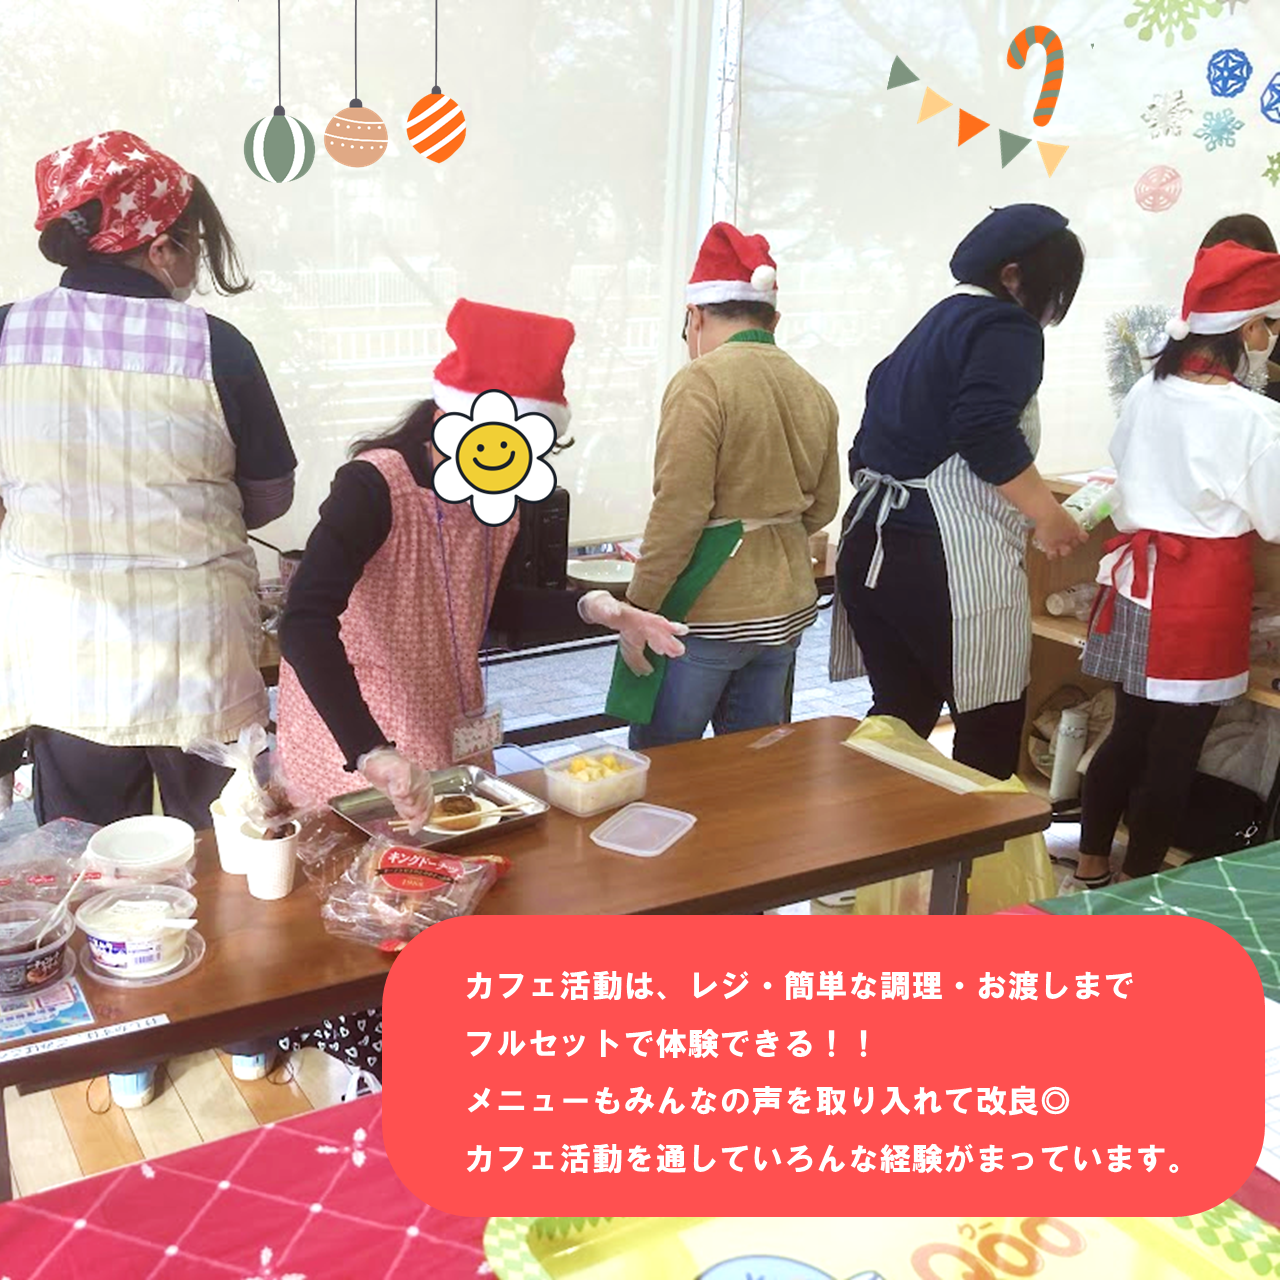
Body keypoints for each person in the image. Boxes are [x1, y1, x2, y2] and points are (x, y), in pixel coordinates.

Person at [273, 298, 686, 1082]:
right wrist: (370, 751)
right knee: (362, 918)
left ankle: (441, 1056)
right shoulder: (373, 486)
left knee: (442, 906)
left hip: (441, 728)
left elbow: (495, 609)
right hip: (352, 733)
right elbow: (303, 624)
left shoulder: (497, 500)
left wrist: (597, 609)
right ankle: (355, 1070)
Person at [0, 132, 297, 1106]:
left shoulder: (6, 335)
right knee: (230, 840)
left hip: (68, 657)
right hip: (197, 650)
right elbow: (270, 495)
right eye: (191, 241)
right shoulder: (214, 345)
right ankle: (245, 1032)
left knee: (95, 852)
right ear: (160, 242)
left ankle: (127, 1052)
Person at [834, 204, 1087, 782]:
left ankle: (876, 837)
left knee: (899, 717)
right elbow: (984, 429)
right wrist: (1047, 515)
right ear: (1013, 276)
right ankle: (973, 847)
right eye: (1055, 289)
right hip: (942, 565)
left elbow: (864, 450)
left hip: (869, 550)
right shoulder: (1005, 327)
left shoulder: (934, 324)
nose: (1053, 309)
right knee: (988, 729)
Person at [1073, 241, 1280, 888]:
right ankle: (1138, 887)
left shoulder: (1147, 390)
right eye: (1270, 324)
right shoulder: (1256, 418)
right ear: (1247, 329)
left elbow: (1121, 466)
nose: (1271, 338)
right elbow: (1274, 520)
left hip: (1136, 588)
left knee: (1129, 732)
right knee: (1174, 752)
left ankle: (1091, 866)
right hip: (1200, 597)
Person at [614, 222, 841, 749]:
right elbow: (824, 504)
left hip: (706, 615)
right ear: (773, 319)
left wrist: (638, 605)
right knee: (753, 768)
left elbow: (679, 511)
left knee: (666, 765)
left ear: (694, 315)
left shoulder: (702, 382)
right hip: (785, 609)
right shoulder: (813, 388)